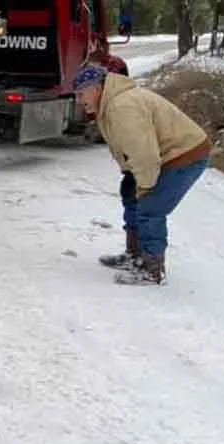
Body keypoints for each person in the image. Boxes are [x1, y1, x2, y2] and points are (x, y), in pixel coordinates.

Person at [71, 64, 211, 285]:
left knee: (150, 207)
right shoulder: (110, 103)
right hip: (164, 155)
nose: (79, 100)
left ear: (96, 88)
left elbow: (144, 153)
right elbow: (129, 148)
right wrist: (130, 175)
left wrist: (145, 186)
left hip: (185, 154)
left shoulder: (122, 106)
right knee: (131, 195)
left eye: (81, 94)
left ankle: (153, 269)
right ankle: (135, 256)